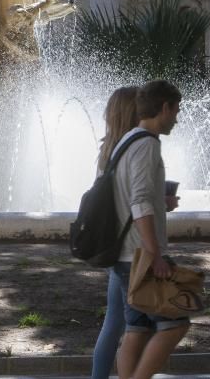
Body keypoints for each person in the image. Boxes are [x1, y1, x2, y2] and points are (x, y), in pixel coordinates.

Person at [89, 84, 183, 379]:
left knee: (133, 327)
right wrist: (155, 253)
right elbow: (139, 201)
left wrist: (159, 202)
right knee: (170, 325)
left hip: (123, 251)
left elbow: (134, 201)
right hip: (136, 254)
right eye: (176, 109)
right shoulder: (142, 144)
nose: (177, 117)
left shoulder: (118, 147)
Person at [89, 86, 140, 379]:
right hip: (131, 249)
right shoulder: (133, 150)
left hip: (115, 246)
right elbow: (137, 201)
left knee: (114, 322)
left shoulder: (108, 149)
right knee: (144, 327)